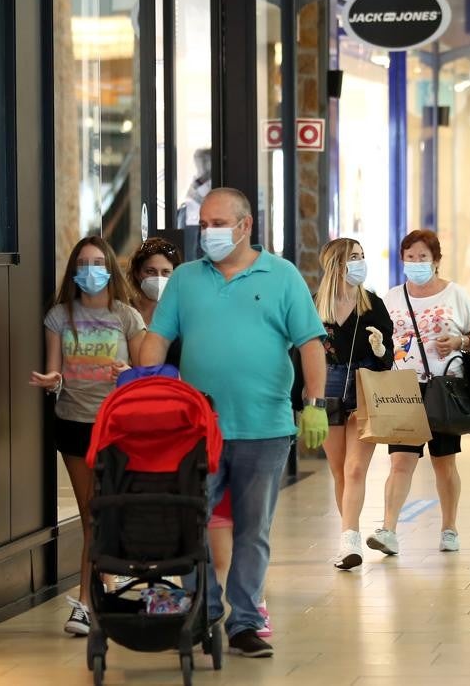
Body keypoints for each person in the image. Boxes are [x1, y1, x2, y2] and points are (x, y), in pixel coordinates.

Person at [138, 187, 327, 659]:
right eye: (203, 224)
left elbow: (309, 344)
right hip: (198, 430)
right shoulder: (184, 279)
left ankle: (244, 621)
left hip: (265, 426)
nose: (208, 233)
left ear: (245, 226)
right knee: (189, 521)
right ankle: (202, 610)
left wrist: (316, 403)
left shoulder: (282, 276)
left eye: (217, 224)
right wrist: (142, 382)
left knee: (252, 531)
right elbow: (158, 339)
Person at [30, 236, 146, 636]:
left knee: (103, 512)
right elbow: (54, 371)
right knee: (91, 514)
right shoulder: (59, 317)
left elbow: (144, 373)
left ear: (111, 268)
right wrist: (52, 380)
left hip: (116, 424)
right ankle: (98, 589)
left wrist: (125, 374)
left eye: (98, 262)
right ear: (73, 271)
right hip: (74, 424)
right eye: (83, 263)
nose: (91, 270)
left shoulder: (128, 317)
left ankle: (90, 597)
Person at [370, 230, 470, 557]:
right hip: (403, 388)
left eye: (422, 257)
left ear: (436, 261)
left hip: (442, 387)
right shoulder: (392, 298)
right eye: (409, 257)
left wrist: (459, 342)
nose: (415, 263)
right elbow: (384, 342)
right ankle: (388, 529)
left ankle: (450, 527)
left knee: (444, 463)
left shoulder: (455, 294)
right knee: (400, 462)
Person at [310, 238, 394, 570]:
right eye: (353, 257)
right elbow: (303, 352)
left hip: (365, 384)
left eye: (362, 255)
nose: (360, 262)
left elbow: (388, 357)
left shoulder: (372, 304)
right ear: (336, 265)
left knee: (356, 468)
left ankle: (350, 541)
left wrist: (378, 349)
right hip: (328, 384)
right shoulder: (316, 305)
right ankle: (349, 535)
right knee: (338, 469)